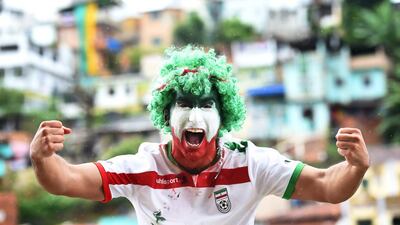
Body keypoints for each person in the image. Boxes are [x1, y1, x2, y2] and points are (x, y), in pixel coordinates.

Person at [30, 46, 370, 225]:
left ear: (222, 118)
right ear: (166, 114)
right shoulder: (141, 168)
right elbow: (67, 180)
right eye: (184, 103)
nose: (194, 115)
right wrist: (42, 157)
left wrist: (355, 167)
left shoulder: (251, 164)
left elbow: (327, 185)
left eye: (206, 104)